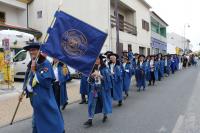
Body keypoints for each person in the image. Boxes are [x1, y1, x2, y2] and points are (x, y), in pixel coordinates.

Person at [23, 42, 65, 133]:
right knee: (37, 121)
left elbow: (46, 83)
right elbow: (28, 78)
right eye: (30, 50)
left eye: (33, 50)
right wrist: (23, 90)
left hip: (45, 99)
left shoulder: (45, 63)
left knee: (50, 120)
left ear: (39, 51)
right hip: (35, 99)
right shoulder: (31, 63)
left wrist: (34, 71)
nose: (31, 52)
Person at [84, 55, 112, 126]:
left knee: (103, 102)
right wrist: (91, 76)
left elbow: (108, 79)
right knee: (91, 103)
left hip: (102, 89)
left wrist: (100, 76)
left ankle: (105, 115)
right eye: (95, 59)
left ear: (100, 60)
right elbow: (88, 81)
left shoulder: (105, 68)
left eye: (97, 59)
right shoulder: (92, 68)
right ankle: (90, 119)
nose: (96, 60)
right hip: (94, 89)